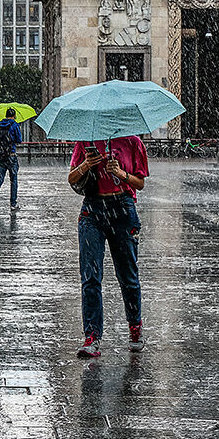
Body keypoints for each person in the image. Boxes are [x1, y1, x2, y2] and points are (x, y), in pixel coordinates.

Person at [67, 135, 149, 357]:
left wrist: (120, 173)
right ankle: (92, 337)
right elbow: (72, 178)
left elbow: (140, 183)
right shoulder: (86, 141)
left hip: (122, 208)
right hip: (92, 211)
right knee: (90, 277)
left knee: (128, 276)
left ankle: (135, 328)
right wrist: (87, 164)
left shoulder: (133, 142)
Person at [0, 108, 22, 211]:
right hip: (11, 155)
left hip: (1, 155)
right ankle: (13, 204)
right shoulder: (14, 125)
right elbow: (19, 140)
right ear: (13, 116)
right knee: (13, 180)